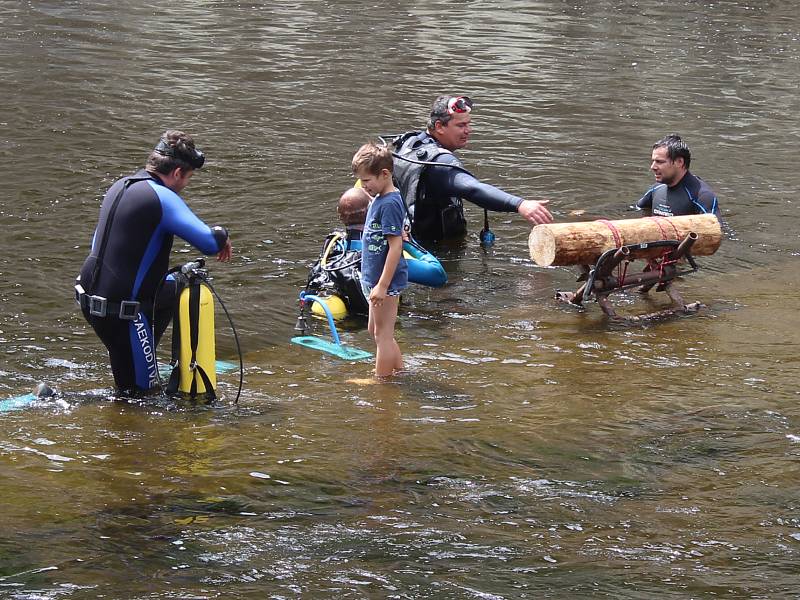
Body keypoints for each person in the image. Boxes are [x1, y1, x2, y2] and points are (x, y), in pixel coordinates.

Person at [75, 130, 232, 396]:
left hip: (91, 297)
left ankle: (138, 357)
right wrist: (224, 234)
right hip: (122, 312)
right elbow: (210, 242)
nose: (185, 185)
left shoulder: (121, 185)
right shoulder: (162, 197)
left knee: (179, 286)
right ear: (178, 172)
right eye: (189, 178)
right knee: (142, 399)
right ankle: (56, 403)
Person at [391, 94, 553, 242]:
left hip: (407, 234)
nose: (468, 131)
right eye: (461, 125)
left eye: (468, 124)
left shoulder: (408, 143)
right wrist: (520, 204)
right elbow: (473, 189)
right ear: (439, 126)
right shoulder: (440, 163)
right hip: (431, 250)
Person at [352, 142, 408, 378]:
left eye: (367, 181)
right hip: (374, 277)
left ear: (384, 174)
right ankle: (399, 371)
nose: (364, 186)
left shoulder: (390, 202)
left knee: (382, 335)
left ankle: (381, 382)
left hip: (386, 281)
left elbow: (396, 246)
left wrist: (383, 285)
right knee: (375, 330)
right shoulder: (380, 196)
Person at [304, 187, 372, 316]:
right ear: (371, 212)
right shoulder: (379, 245)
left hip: (327, 305)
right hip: (363, 311)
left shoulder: (333, 244)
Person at [636, 134, 720, 219]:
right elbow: (637, 209)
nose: (653, 167)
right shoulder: (656, 189)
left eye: (659, 162)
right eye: (653, 161)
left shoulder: (702, 196)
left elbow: (715, 229)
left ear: (680, 162)